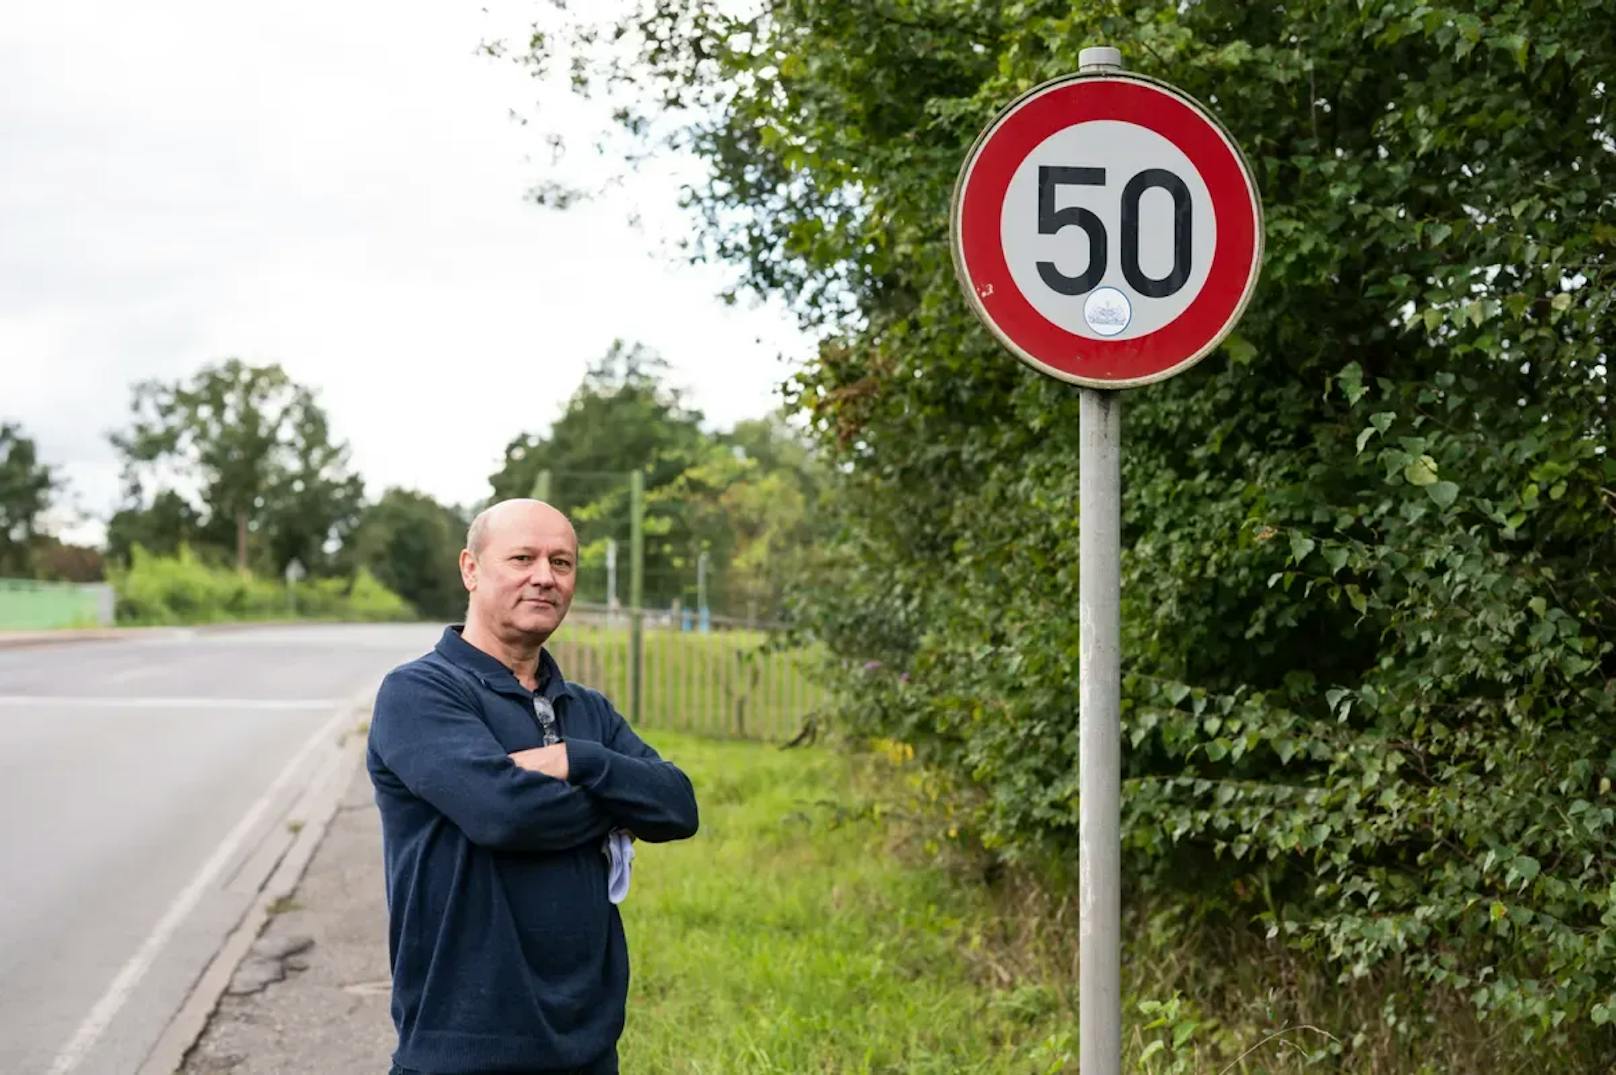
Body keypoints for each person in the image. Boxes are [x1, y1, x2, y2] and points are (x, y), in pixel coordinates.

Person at [368, 498, 699, 1075]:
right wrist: (616, 803)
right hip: (461, 1047)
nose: (544, 577)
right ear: (471, 568)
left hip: (587, 1047)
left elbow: (676, 806)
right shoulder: (418, 694)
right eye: (522, 558)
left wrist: (579, 758)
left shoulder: (587, 711)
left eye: (561, 563)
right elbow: (504, 814)